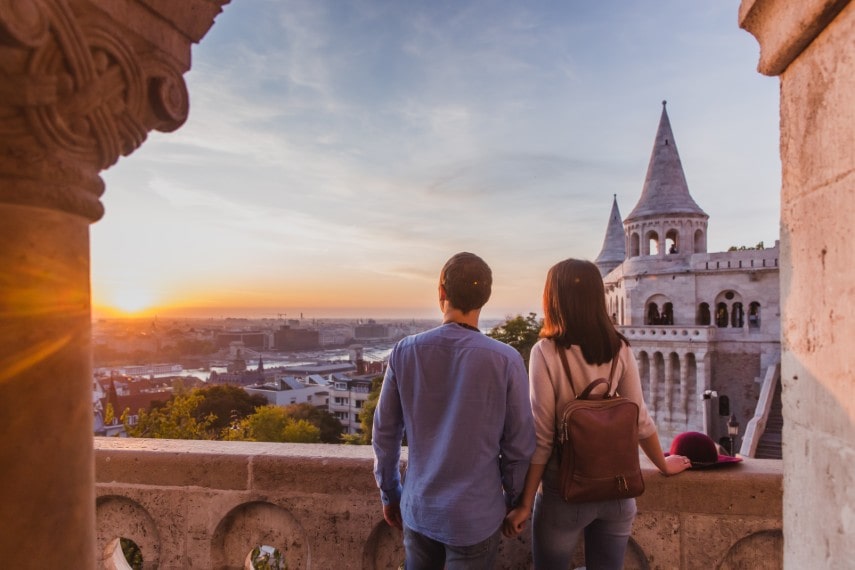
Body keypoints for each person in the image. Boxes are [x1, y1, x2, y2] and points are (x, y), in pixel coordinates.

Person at [503, 258, 690, 569]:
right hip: (617, 492)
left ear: (554, 298)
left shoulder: (546, 352)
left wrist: (524, 503)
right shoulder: (619, 347)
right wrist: (663, 465)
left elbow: (542, 436)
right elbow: (639, 419)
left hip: (564, 494)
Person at [373, 252, 536, 570]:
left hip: (419, 507)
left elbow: (385, 434)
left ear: (441, 292)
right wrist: (515, 501)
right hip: (476, 515)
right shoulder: (506, 359)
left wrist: (390, 492)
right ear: (485, 299)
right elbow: (519, 446)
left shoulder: (405, 352)